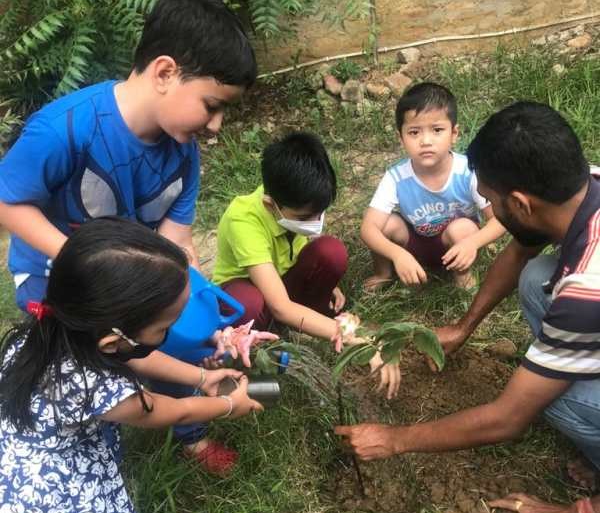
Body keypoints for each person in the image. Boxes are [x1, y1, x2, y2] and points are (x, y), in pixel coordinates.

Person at [0, 0, 257, 475]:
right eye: (211, 105)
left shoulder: (184, 154)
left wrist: (203, 306)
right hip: (59, 283)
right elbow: (7, 202)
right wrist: (88, 260)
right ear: (165, 72)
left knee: (187, 334)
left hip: (138, 281)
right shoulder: (65, 130)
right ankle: (99, 421)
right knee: (86, 366)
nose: (217, 125)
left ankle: (189, 430)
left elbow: (174, 241)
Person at [0, 218, 262, 513]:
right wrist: (225, 403)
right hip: (57, 506)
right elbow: (164, 409)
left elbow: (137, 353)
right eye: (166, 326)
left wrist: (201, 376)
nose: (174, 331)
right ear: (113, 340)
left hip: (25, 478)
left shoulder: (48, 331)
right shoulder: (93, 383)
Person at [336, 102, 600, 478]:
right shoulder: (585, 185)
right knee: (536, 275)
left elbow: (507, 419)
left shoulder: (586, 290)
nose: (488, 208)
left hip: (588, 306)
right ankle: (569, 360)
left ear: (522, 204)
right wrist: (465, 326)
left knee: (553, 397)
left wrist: (395, 439)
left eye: (491, 202)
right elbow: (521, 249)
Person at [212, 131, 401, 398]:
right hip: (249, 296)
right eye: (304, 217)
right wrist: (351, 335)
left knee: (331, 252)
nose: (314, 222)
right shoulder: (242, 220)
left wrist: (329, 285)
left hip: (280, 286)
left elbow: (299, 249)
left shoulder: (291, 201)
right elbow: (279, 305)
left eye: (319, 213)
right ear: (270, 205)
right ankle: (255, 370)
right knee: (249, 303)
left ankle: (301, 330)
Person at [360, 82, 505, 291]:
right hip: (415, 245)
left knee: (462, 228)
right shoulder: (396, 177)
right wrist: (397, 254)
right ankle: (383, 273)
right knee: (386, 224)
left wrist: (473, 243)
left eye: (437, 130)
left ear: (454, 133)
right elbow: (368, 229)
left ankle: (462, 275)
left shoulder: (467, 171)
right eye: (414, 132)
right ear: (400, 138)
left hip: (458, 244)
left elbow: (499, 219)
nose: (426, 141)